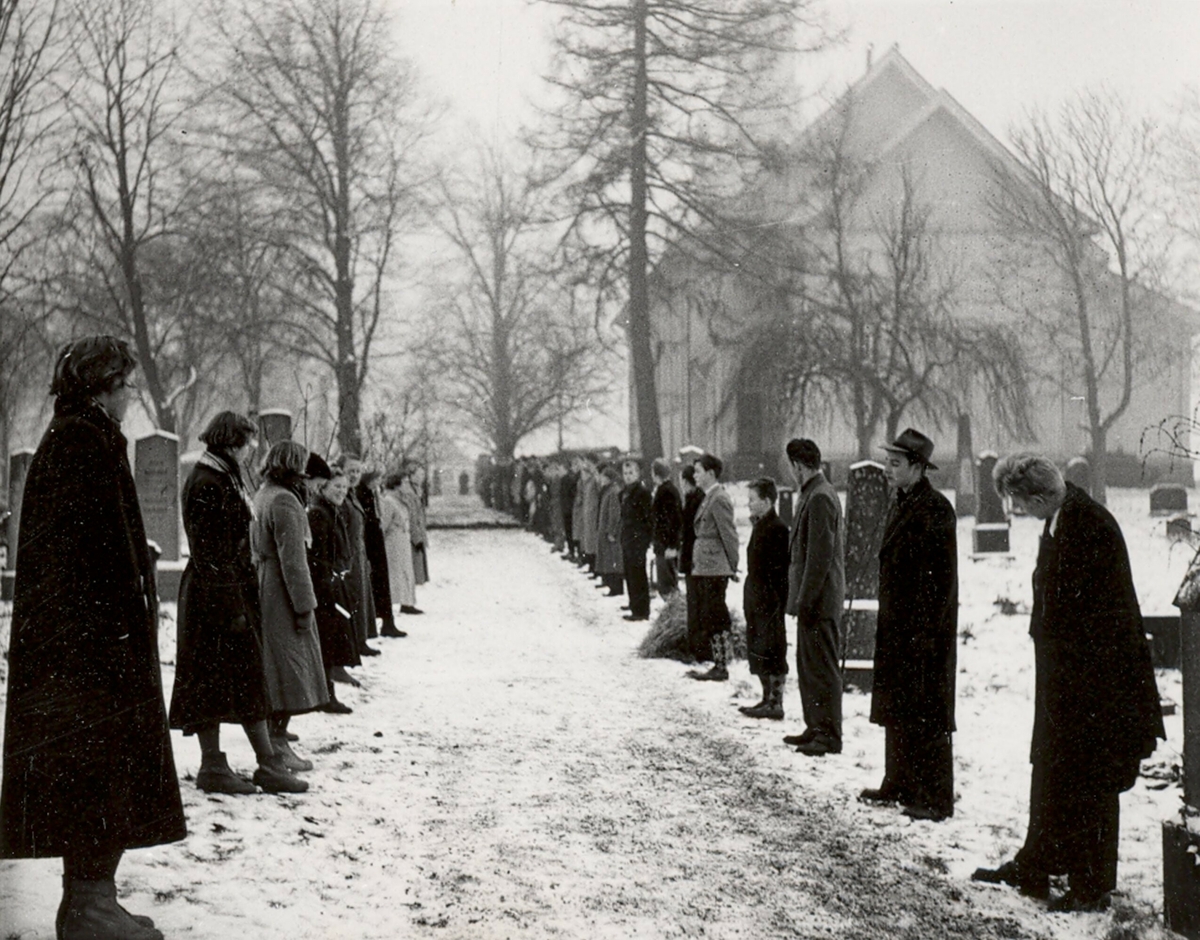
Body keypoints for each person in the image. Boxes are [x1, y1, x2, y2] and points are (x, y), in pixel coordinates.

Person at [1, 336, 184, 940]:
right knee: (95, 774)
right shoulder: (82, 442)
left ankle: (92, 901)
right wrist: (116, 630)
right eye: (127, 383)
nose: (132, 394)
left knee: (101, 773)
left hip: (92, 647)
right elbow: (85, 559)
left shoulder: (87, 436)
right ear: (104, 383)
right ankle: (87, 906)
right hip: (86, 654)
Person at [972, 454, 1164, 912]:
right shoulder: (1062, 518)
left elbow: (1100, 617)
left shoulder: (1089, 527)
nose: (1016, 513)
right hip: (1065, 678)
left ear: (1038, 497)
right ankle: (1037, 863)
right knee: (1054, 770)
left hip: (1097, 683)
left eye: (1017, 504)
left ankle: (1090, 883)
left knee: (1091, 780)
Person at [169, 411, 305, 796]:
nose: (251, 451)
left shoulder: (222, 474)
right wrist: (232, 608)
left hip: (226, 591)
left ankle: (265, 763)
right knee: (214, 682)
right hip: (215, 596)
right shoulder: (208, 481)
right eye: (248, 443)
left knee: (244, 679)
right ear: (231, 442)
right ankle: (219, 765)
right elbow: (209, 550)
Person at [861, 428, 957, 820]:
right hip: (897, 625)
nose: (887, 469)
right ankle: (897, 781)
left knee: (926, 710)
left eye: (895, 463)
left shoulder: (934, 510)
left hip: (923, 631)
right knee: (896, 705)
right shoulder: (902, 502)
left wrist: (926, 633)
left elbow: (941, 582)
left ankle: (935, 796)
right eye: (887, 461)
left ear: (917, 467)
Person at [251, 441, 329, 770]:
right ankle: (278, 744)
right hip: (281, 592)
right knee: (289, 670)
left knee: (277, 667)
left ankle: (276, 741)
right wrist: (304, 607)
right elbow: (294, 561)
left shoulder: (264, 493)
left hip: (265, 583)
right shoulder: (285, 500)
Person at [781, 438, 845, 756]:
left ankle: (829, 734)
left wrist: (805, 600)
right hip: (812, 599)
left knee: (822, 667)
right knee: (808, 665)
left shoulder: (820, 497)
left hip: (820, 600)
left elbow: (819, 557)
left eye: (791, 466)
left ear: (798, 465)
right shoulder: (812, 493)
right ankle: (815, 726)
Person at [306, 457, 362, 709]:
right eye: (336, 487)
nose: (341, 491)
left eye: (344, 488)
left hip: (332, 582)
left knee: (332, 638)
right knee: (326, 640)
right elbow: (317, 555)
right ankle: (326, 696)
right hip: (323, 585)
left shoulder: (331, 511)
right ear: (323, 488)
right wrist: (329, 579)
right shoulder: (319, 514)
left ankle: (327, 693)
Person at [740, 478, 790, 720]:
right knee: (758, 647)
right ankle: (766, 698)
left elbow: (779, 571)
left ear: (767, 501)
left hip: (768, 599)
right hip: (756, 595)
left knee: (772, 648)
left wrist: (774, 600)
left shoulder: (777, 528)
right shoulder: (761, 525)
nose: (748, 504)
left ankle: (775, 702)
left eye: (752, 500)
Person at [685, 454, 739, 681]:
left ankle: (723, 663)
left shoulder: (719, 499)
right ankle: (719, 662)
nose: (694, 475)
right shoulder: (710, 497)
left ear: (710, 473)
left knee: (716, 614)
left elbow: (729, 535)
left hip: (715, 568)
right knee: (710, 614)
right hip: (707, 566)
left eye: (698, 471)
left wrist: (733, 566)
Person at [336, 454, 380, 658]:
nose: (354, 475)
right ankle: (354, 642)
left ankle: (360, 640)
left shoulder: (352, 494)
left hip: (358, 554)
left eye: (357, 471)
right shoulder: (340, 496)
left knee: (361, 598)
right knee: (351, 598)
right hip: (348, 556)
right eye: (350, 471)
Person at [356, 468, 405, 638]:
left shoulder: (372, 493)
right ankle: (382, 622)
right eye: (377, 478)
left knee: (382, 583)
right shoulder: (362, 493)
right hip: (370, 544)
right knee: (376, 584)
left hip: (376, 543)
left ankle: (387, 621)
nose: (379, 482)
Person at [381, 471, 420, 616]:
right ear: (396, 485)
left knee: (406, 571)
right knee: (396, 573)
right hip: (393, 543)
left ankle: (407, 602)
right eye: (404, 482)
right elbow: (384, 524)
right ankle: (395, 602)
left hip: (403, 541)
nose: (407, 485)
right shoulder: (388, 501)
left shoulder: (401, 500)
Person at [619, 457, 653, 621]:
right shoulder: (625, 493)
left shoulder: (642, 493)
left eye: (631, 473)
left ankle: (641, 610)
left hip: (637, 540)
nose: (628, 476)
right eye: (625, 473)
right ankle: (634, 604)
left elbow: (648, 519)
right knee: (630, 573)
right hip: (627, 539)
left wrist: (645, 541)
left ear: (638, 474)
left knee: (638, 574)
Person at [679, 464, 706, 660]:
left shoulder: (696, 500)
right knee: (694, 603)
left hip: (694, 558)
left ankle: (697, 648)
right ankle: (694, 645)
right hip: (691, 557)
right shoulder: (693, 499)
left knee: (696, 604)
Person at [650, 458, 683, 598]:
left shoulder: (667, 491)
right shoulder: (665, 490)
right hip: (663, 544)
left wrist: (671, 545)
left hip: (666, 545)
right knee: (666, 583)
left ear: (655, 474)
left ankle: (675, 614)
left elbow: (672, 520)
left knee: (667, 585)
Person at [595, 463, 625, 596]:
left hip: (610, 533)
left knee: (613, 560)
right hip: (606, 532)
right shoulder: (608, 491)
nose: (601, 479)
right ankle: (612, 586)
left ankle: (616, 588)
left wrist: (611, 531)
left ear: (608, 478)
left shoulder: (612, 492)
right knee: (609, 560)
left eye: (603, 477)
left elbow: (614, 514)